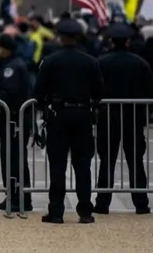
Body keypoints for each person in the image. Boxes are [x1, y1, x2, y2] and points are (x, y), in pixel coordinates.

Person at [33, 18, 103, 224]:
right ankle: (85, 211)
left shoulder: (51, 61)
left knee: (57, 166)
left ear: (60, 37)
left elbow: (38, 91)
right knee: (82, 165)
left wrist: (46, 104)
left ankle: (56, 211)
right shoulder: (90, 61)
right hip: (82, 115)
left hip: (58, 116)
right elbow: (99, 91)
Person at [93, 23, 153, 215]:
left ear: (111, 41)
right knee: (135, 160)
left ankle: (103, 202)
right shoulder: (140, 62)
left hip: (108, 116)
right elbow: (151, 90)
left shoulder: (101, 62)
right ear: (128, 41)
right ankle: (141, 203)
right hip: (133, 116)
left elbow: (94, 88)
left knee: (107, 161)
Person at [0, 34, 32, 213]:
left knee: (13, 159)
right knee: (12, 159)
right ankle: (15, 196)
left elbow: (8, 93)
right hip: (12, 119)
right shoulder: (9, 65)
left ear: (5, 49)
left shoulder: (11, 68)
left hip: (14, 120)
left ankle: (17, 198)